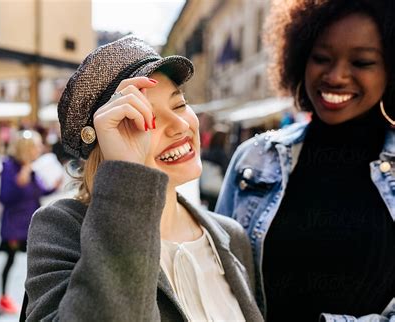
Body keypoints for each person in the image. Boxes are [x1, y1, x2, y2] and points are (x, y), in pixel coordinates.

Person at [23, 36, 263, 321]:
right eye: (145, 120)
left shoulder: (230, 235)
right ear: (106, 144)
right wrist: (127, 177)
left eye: (178, 105)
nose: (179, 125)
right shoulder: (61, 228)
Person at [216, 1, 395, 321]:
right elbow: (215, 280)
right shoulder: (255, 158)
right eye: (321, 58)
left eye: (362, 61)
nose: (336, 76)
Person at [0, 130, 59, 314]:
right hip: (15, 227)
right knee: (10, 261)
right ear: (27, 149)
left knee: (35, 265)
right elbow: (4, 197)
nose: (39, 150)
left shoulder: (31, 168)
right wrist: (19, 181)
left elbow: (38, 192)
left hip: (31, 225)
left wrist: (53, 187)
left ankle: (33, 304)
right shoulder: (10, 167)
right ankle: (3, 298)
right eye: (36, 147)